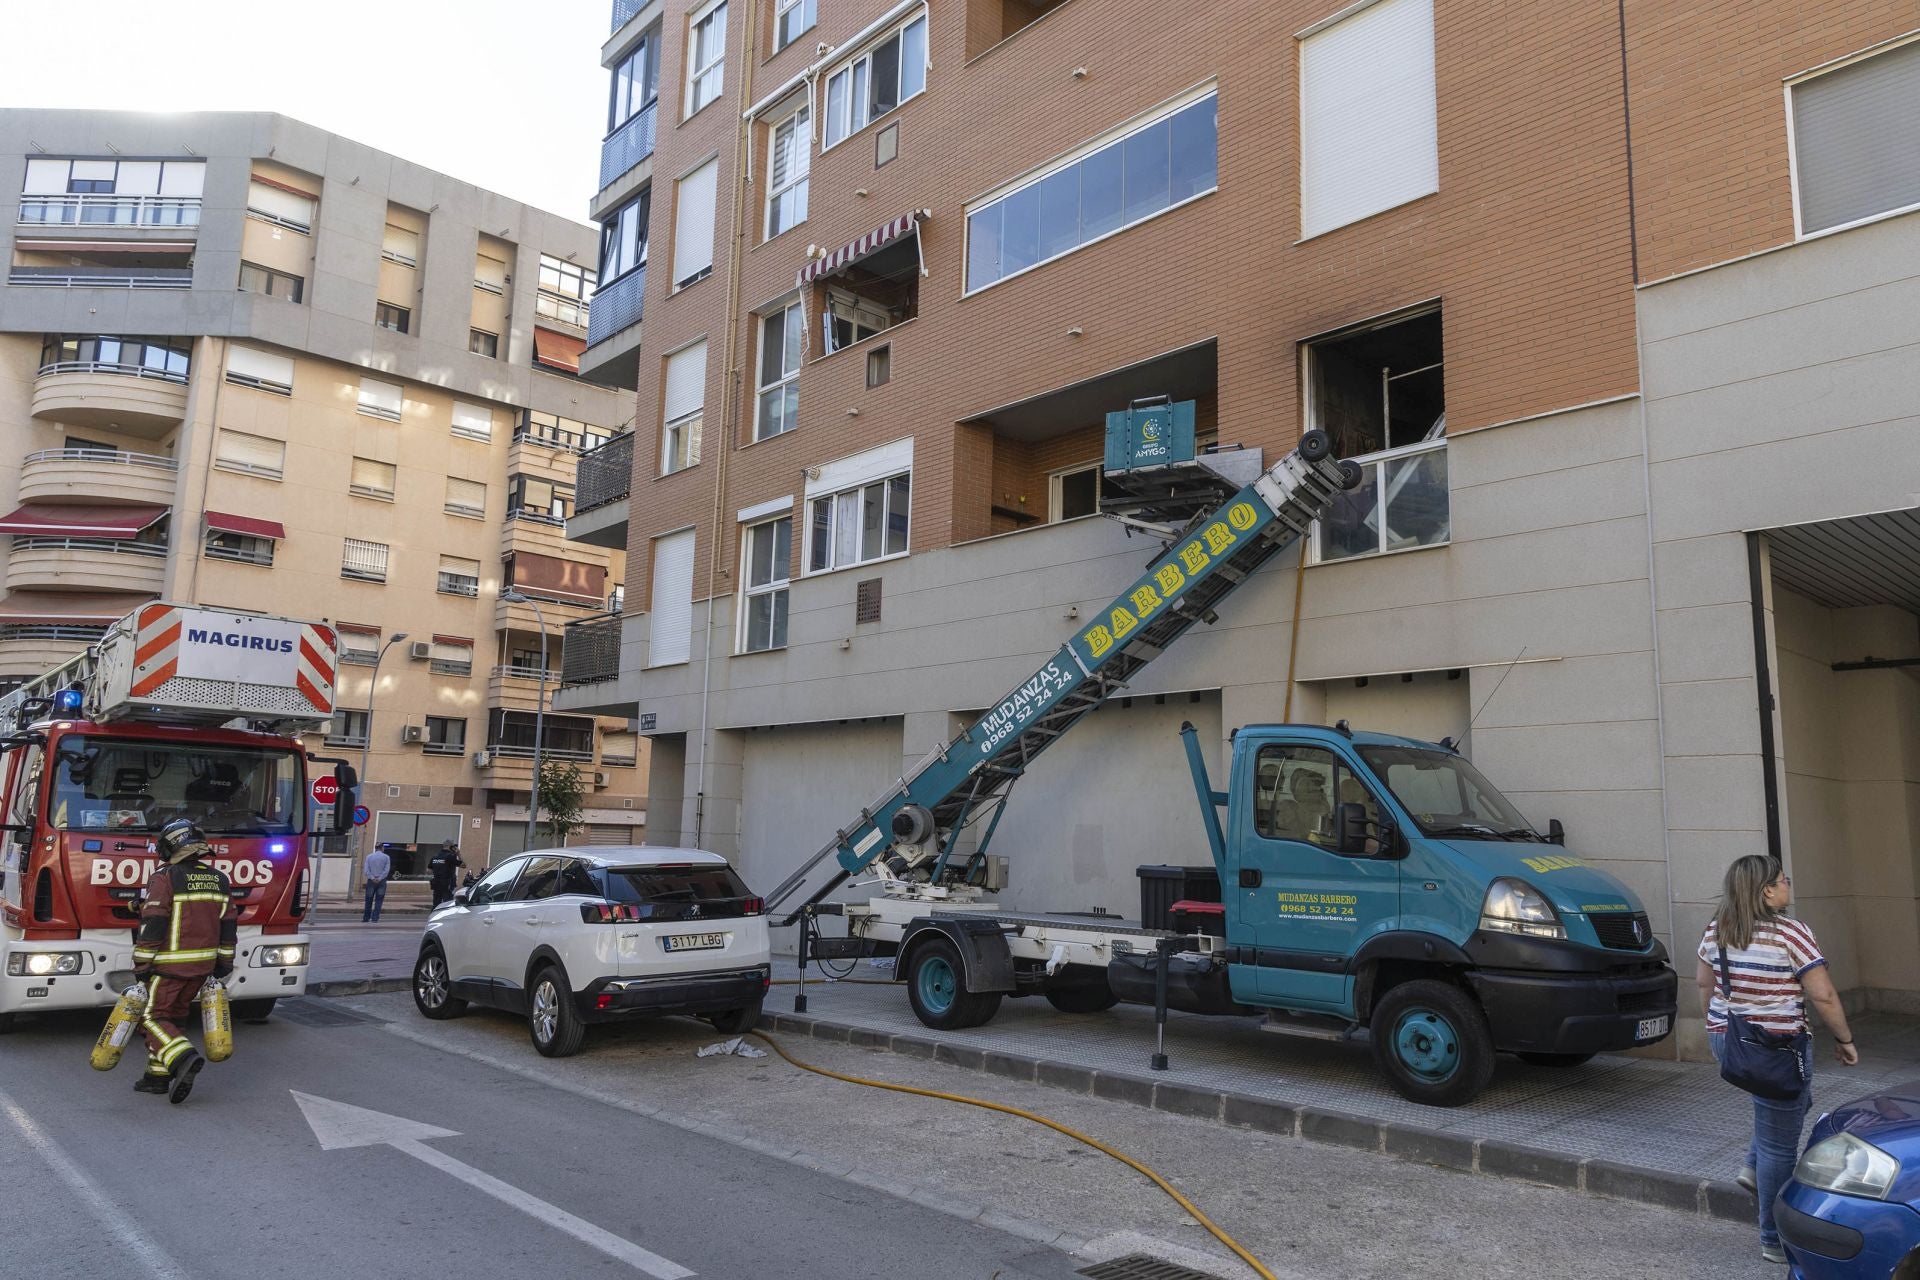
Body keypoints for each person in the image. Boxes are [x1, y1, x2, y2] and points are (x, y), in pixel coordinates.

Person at [1695, 855, 1859, 1265]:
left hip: (1728, 1036)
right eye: (1785, 880)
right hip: (1776, 1046)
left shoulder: (1717, 929)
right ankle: (1773, 1239)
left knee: (1790, 1106)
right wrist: (1845, 1038)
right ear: (1767, 890)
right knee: (1779, 1144)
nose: (1789, 885)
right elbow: (1822, 995)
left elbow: (1703, 984)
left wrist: (1717, 1029)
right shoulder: (1792, 931)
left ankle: (1752, 1166)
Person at [131, 819, 237, 1104]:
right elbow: (229, 926)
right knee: (173, 1018)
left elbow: (154, 922)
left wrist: (141, 964)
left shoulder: (165, 877)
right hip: (202, 968)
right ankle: (156, 1078)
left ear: (170, 848)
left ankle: (182, 1058)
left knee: (150, 1018)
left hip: (167, 967)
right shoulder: (220, 879)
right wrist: (224, 963)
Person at [428, 842, 465, 908]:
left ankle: (434, 916)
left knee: (436, 903)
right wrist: (458, 854)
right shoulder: (450, 856)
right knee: (448, 903)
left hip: (436, 883)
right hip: (447, 883)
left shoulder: (435, 856)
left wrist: (438, 871)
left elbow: (428, 870)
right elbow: (463, 865)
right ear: (451, 847)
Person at [362, 846, 392, 922]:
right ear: (382, 848)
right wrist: (380, 878)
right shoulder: (386, 857)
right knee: (379, 900)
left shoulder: (369, 857)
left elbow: (366, 870)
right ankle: (375, 918)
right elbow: (386, 870)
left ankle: (366, 918)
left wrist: (372, 877)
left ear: (375, 848)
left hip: (371, 881)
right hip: (381, 881)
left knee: (368, 900)